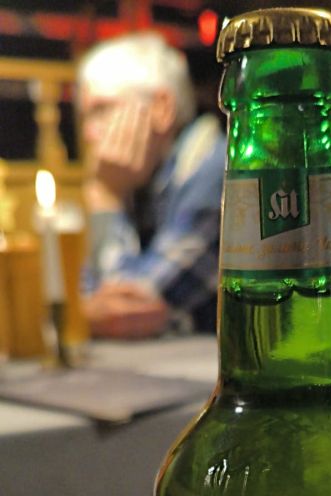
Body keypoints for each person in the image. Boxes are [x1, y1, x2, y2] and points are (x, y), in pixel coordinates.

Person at [78, 32, 226, 339]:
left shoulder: (216, 169)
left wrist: (105, 197)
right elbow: (85, 298)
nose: (89, 132)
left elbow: (129, 311)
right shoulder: (141, 182)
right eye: (84, 118)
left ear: (161, 108)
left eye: (102, 110)